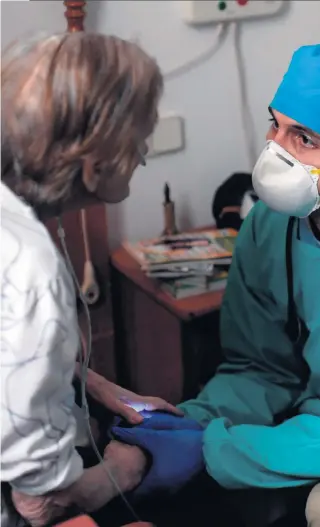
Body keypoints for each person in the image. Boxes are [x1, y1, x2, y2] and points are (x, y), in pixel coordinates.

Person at [123, 43, 320, 527]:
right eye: (275, 124)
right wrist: (187, 423)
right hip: (317, 432)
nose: (275, 149)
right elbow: (260, 370)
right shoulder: (270, 226)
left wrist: (217, 449)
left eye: (304, 139)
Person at [1, 31, 182, 527]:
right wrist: (126, 469)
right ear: (93, 167)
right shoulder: (28, 265)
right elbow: (37, 500)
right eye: (141, 137)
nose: (145, 151)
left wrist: (101, 388)